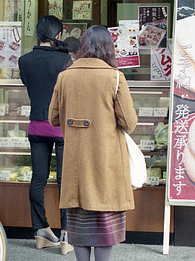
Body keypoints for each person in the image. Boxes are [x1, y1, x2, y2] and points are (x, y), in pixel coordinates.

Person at [48, 25, 138, 261]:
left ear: (83, 46)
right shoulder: (115, 77)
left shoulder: (65, 76)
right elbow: (129, 122)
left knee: (79, 223)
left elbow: (53, 118)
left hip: (76, 163)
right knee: (105, 223)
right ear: (109, 48)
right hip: (106, 164)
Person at [18, 15, 73, 254]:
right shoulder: (64, 60)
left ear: (38, 34)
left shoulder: (24, 61)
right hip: (61, 127)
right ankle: (66, 236)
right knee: (64, 181)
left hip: (36, 127)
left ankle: (40, 231)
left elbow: (29, 87)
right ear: (58, 35)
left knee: (38, 179)